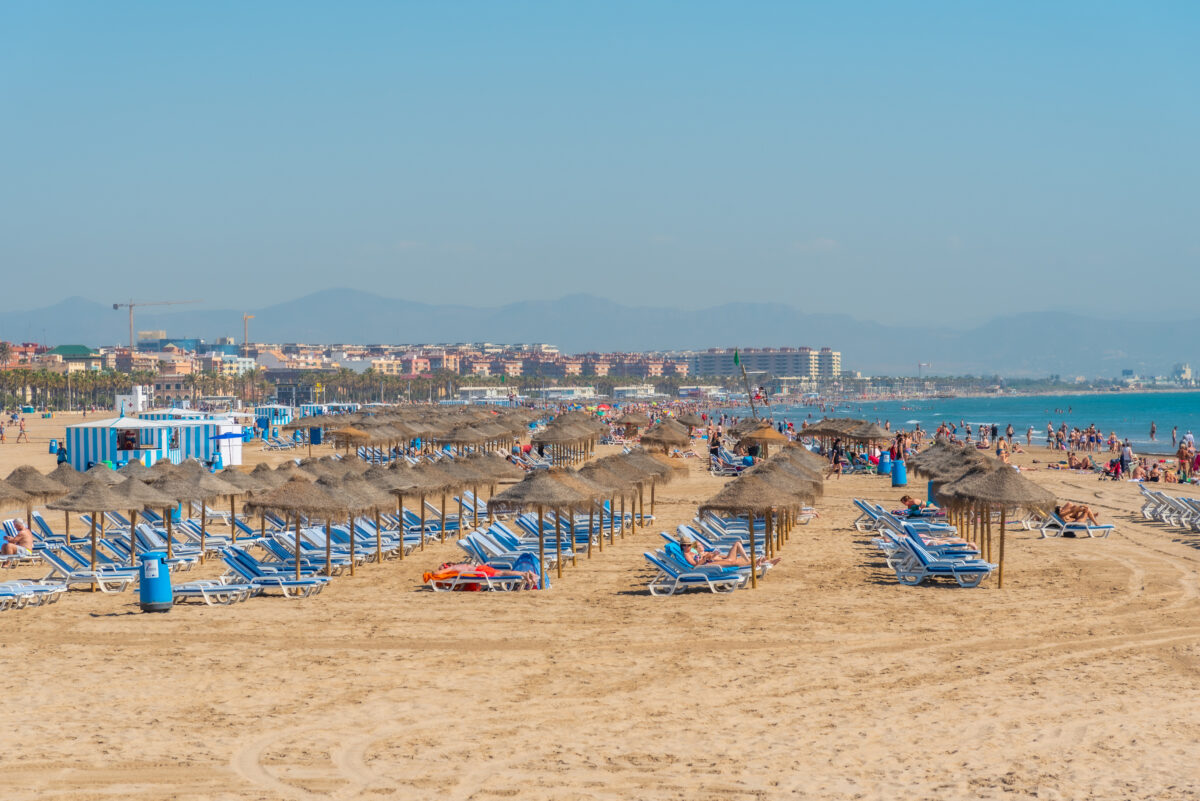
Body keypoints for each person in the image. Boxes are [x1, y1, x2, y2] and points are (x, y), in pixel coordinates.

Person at [678, 533, 779, 568]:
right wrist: (704, 559)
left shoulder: (693, 551)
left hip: (709, 561)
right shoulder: (687, 555)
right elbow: (695, 566)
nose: (687, 547)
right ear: (682, 546)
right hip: (705, 566)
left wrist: (710, 555)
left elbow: (700, 552)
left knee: (736, 558)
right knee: (733, 561)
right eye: (684, 545)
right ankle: (755, 563)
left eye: (688, 545)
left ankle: (765, 562)